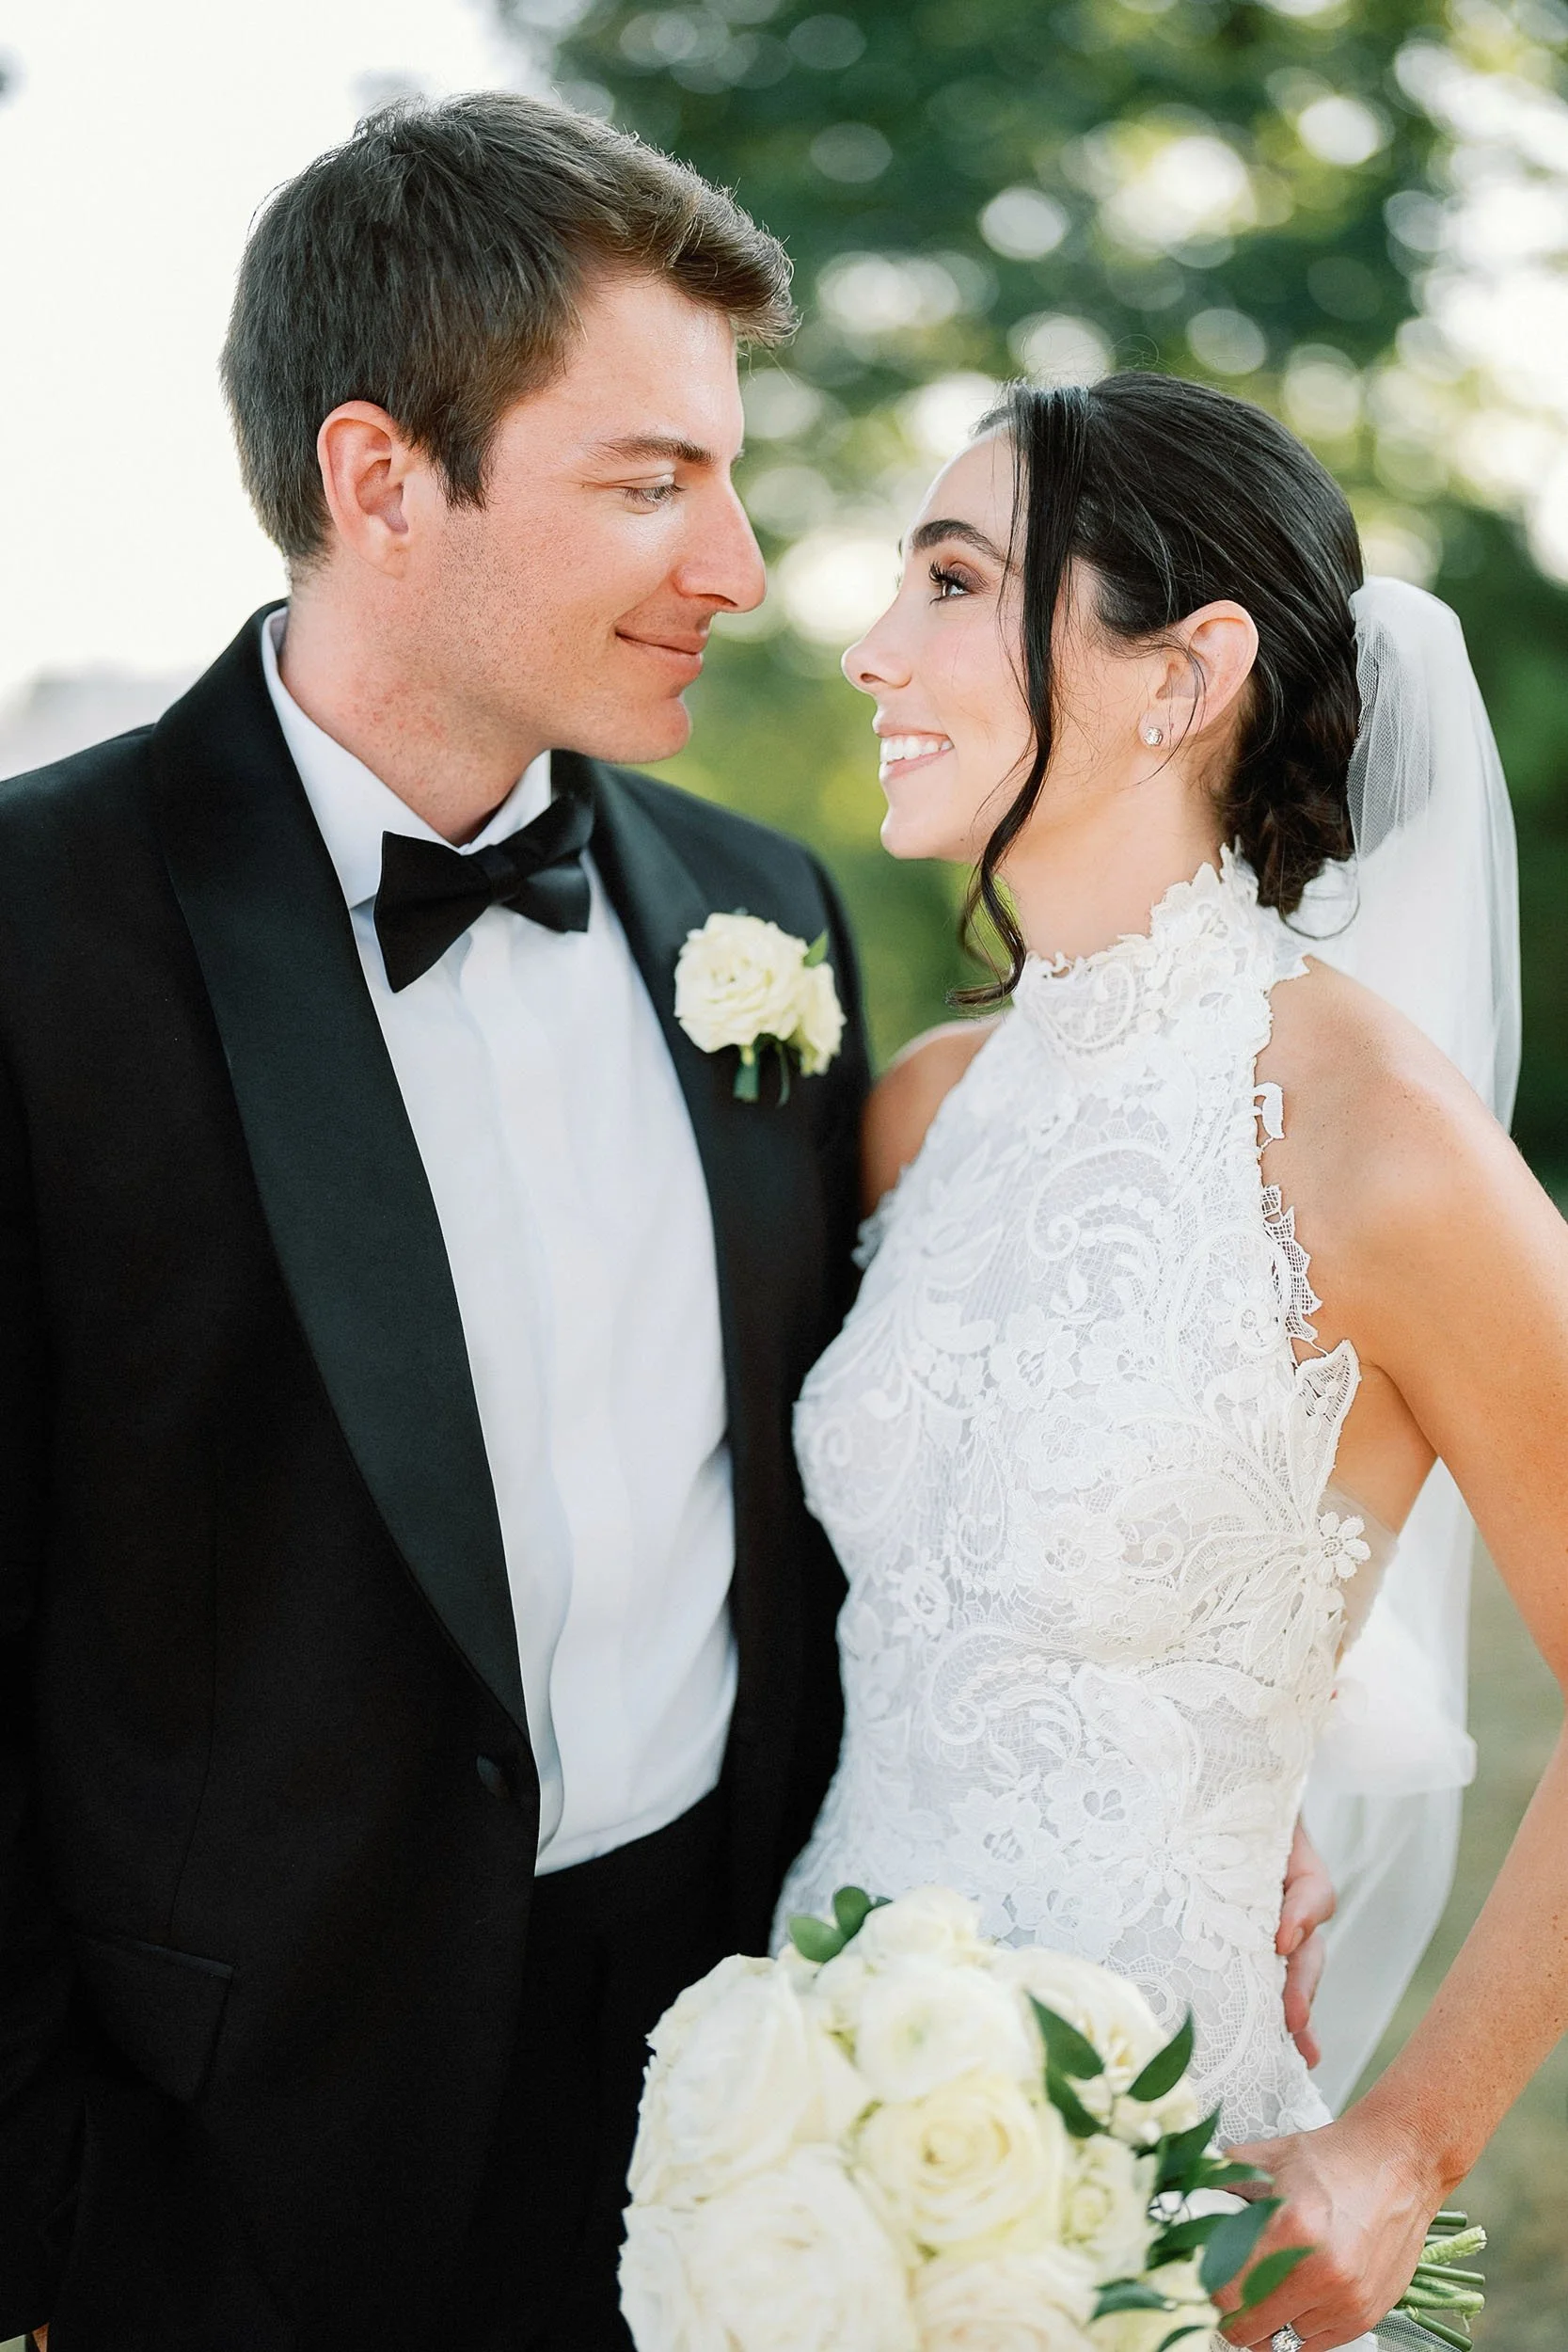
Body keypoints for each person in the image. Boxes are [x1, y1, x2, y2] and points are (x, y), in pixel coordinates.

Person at [0, 99, 1329, 2352]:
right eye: (646, 480)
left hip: (747, 2106)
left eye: (725, 469)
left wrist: (1200, 1760)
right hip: (227, 2164)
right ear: (378, 478)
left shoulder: (760, 912)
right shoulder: (36, 927)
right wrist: (51, 2226)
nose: (734, 559)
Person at [776, 373, 1568, 2352]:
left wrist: (1405, 2141)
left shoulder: (1378, 1145)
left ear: (1180, 669)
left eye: (954, 581)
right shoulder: (921, 1106)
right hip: (797, 2152)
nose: (875, 647)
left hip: (1156, 2216)